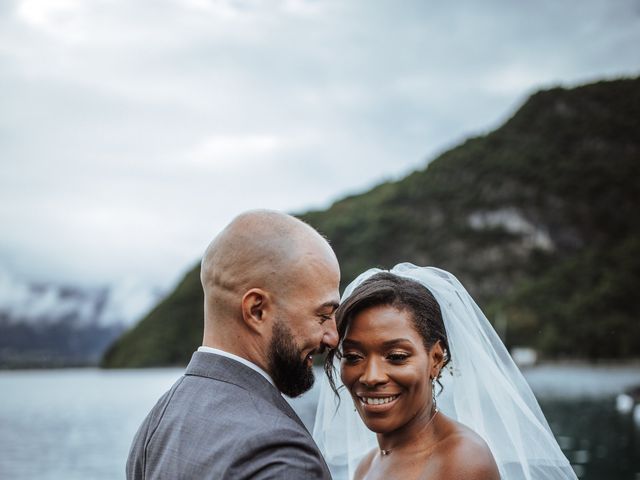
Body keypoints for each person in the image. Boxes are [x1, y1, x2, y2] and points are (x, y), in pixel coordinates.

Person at [127, 210, 340, 479]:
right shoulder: (281, 456)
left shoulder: (157, 424)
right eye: (322, 315)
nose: (333, 337)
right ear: (257, 310)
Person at [313, 263, 577, 480]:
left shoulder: (462, 462)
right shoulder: (367, 466)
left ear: (436, 359)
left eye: (396, 357)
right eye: (353, 356)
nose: (371, 376)